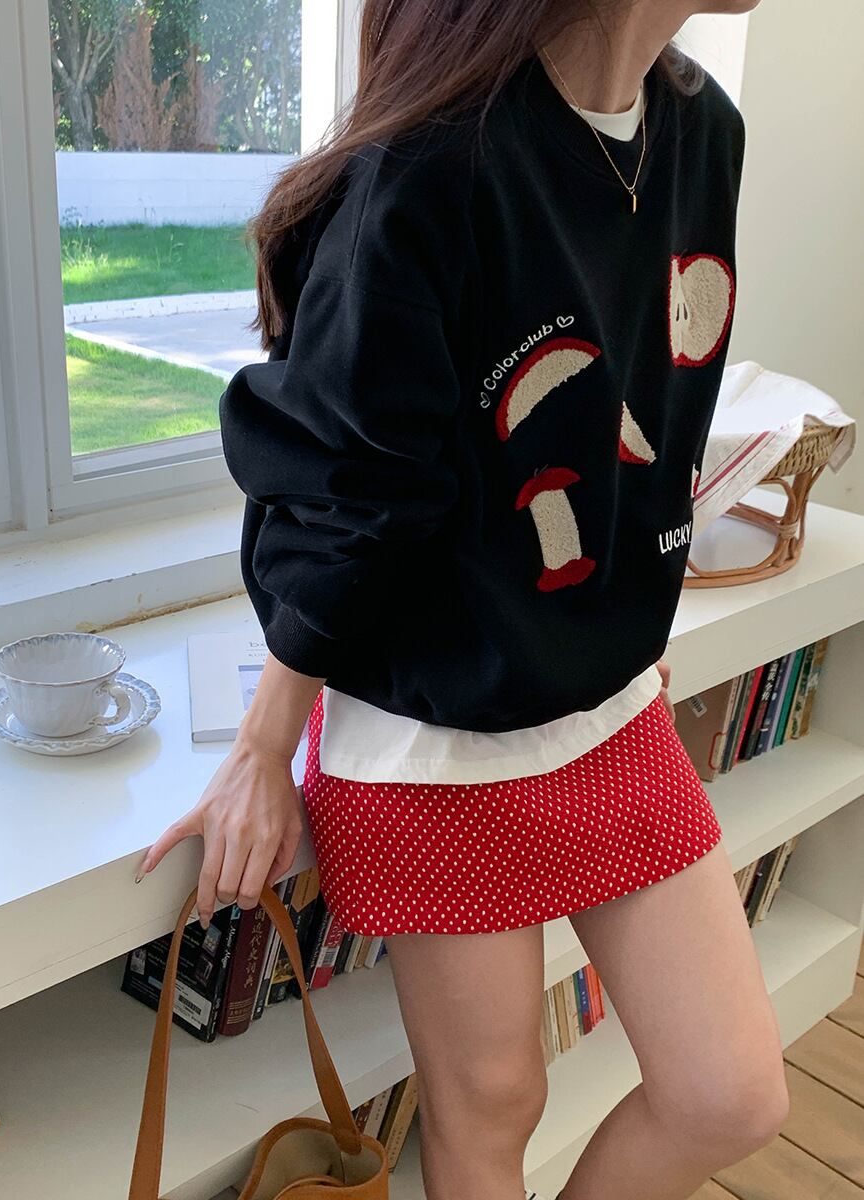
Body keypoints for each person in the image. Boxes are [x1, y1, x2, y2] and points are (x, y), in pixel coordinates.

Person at [138, 3, 791, 1197]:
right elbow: (351, 490)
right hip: (433, 728)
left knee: (731, 1090)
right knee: (494, 1101)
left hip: (605, 703)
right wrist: (264, 746)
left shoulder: (705, 135)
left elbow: (644, 409)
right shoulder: (425, 171)